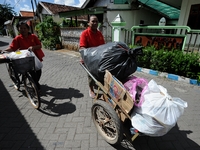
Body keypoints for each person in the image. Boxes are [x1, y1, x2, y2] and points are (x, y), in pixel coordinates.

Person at [2, 21, 45, 91]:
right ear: (18, 29)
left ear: (28, 29)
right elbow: (12, 48)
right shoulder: (17, 38)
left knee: (38, 71)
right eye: (21, 28)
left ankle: (35, 82)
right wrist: (3, 51)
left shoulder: (33, 36)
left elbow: (40, 45)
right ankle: (35, 84)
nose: (23, 30)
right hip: (24, 59)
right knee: (31, 72)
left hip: (35, 57)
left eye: (25, 28)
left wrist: (33, 47)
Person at [79, 15, 105, 98]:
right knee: (91, 75)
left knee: (101, 72)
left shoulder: (99, 34)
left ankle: (98, 85)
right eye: (93, 21)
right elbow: (82, 47)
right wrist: (91, 53)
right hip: (89, 58)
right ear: (89, 23)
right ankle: (91, 89)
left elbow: (103, 46)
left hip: (98, 58)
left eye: (96, 21)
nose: (95, 23)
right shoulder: (85, 34)